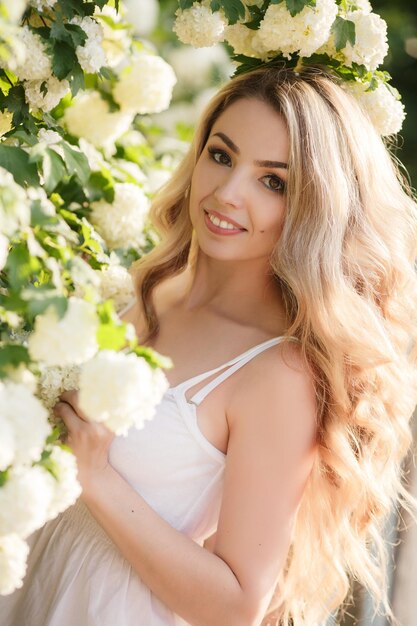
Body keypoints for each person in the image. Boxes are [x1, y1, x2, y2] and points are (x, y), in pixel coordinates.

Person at [1, 63, 417, 626]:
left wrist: (98, 479)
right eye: (221, 155)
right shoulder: (139, 290)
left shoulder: (278, 373)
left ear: (314, 208)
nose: (226, 193)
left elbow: (236, 604)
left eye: (274, 182)